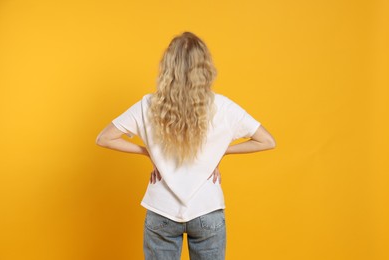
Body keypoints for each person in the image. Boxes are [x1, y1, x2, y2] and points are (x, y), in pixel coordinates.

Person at [95, 31, 276, 260]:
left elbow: (104, 138)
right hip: (207, 209)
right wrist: (219, 152)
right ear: (204, 67)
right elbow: (267, 141)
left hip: (162, 209)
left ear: (167, 66)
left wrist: (149, 151)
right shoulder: (223, 106)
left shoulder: (148, 105)